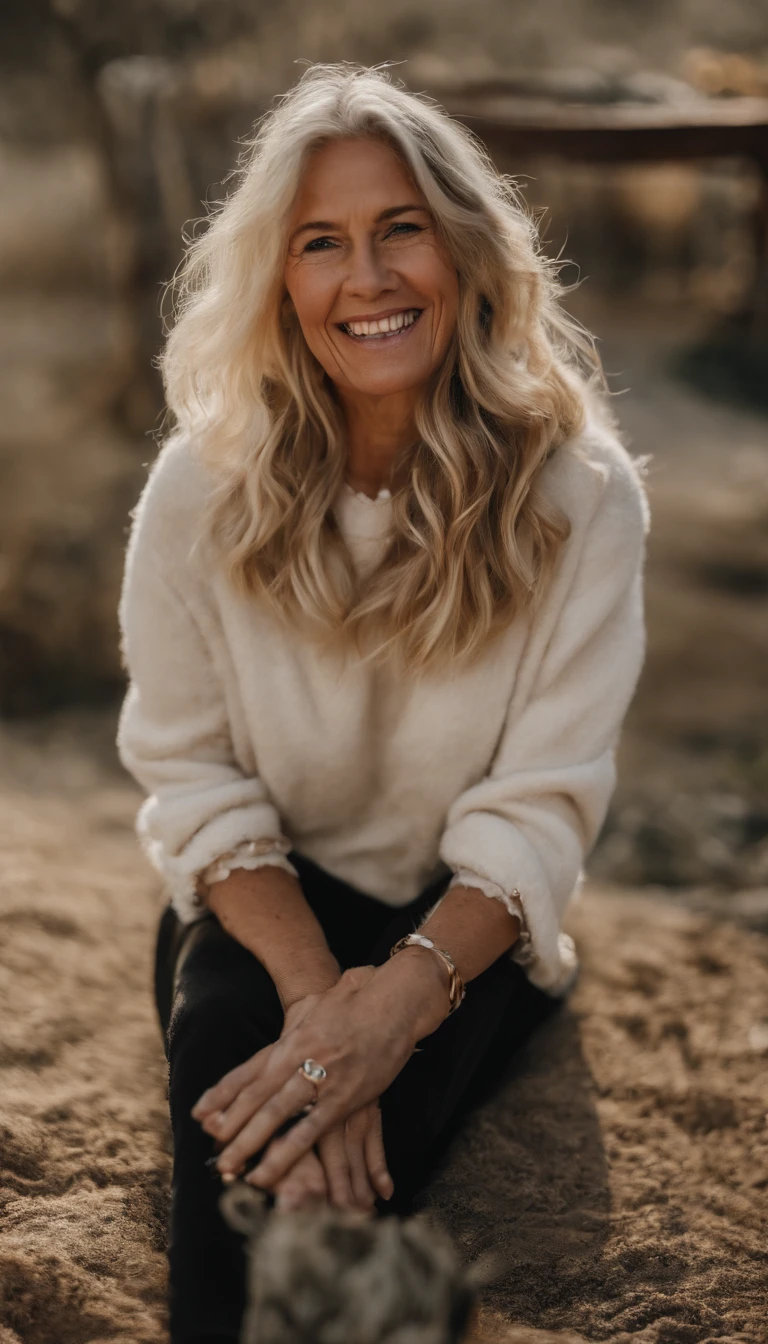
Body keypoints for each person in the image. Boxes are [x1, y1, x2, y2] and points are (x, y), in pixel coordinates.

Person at [116, 62, 648, 1344]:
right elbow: (190, 777)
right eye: (322, 243)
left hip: (468, 919)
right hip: (267, 893)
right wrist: (324, 1013)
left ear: (464, 250)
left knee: (361, 1128)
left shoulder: (582, 495)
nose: (369, 277)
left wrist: (391, 1010)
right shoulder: (201, 490)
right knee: (232, 1071)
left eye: (401, 227)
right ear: (280, 281)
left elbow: (542, 804)